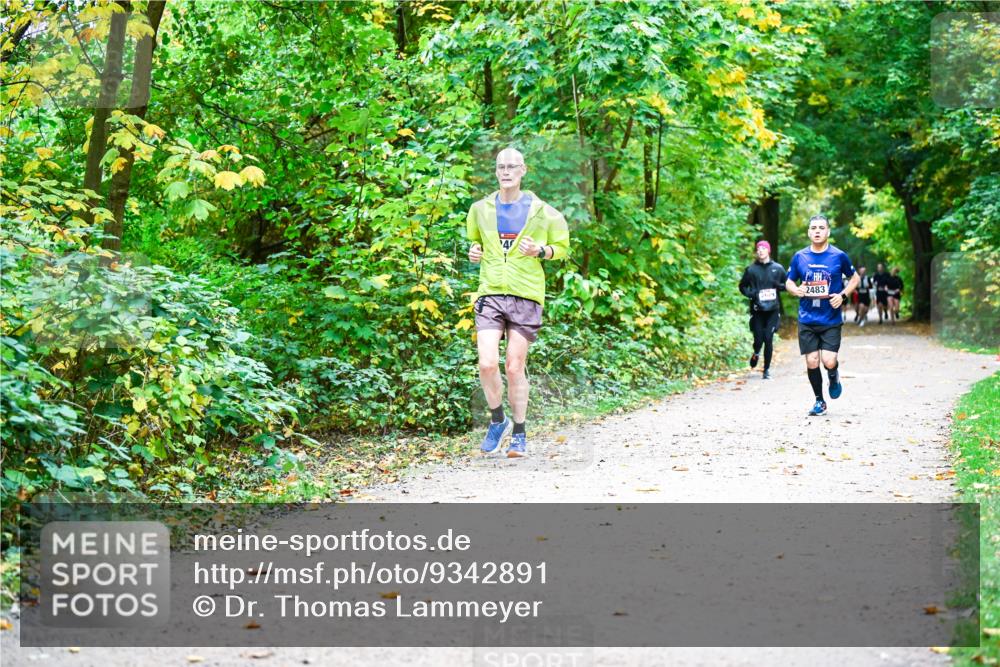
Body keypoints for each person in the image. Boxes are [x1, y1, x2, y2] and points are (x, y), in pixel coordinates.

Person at [466, 147, 571, 458]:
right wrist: (474, 250)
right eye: (500, 166)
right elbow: (476, 240)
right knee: (487, 363)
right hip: (491, 292)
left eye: (512, 166)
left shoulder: (544, 212)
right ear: (496, 171)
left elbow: (562, 248)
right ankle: (498, 420)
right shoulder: (480, 209)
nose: (506, 171)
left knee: (514, 367)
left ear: (523, 170)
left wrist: (540, 251)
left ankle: (520, 434)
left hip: (526, 293)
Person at [785, 215, 860, 416]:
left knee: (828, 360)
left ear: (828, 232)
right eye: (813, 228)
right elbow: (789, 281)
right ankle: (819, 401)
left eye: (821, 228)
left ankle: (833, 375)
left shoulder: (838, 256)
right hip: (807, 318)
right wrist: (796, 290)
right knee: (811, 361)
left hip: (830, 319)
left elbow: (855, 278)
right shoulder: (800, 257)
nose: (817, 231)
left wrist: (843, 295)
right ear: (809, 232)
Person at [738, 240, 786, 379]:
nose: (760, 251)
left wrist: (779, 286)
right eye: (758, 249)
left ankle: (766, 370)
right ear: (756, 252)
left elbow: (788, 284)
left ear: (768, 251)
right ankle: (756, 352)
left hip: (773, 309)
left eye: (763, 248)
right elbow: (742, 286)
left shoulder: (777, 268)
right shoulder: (751, 269)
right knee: (758, 339)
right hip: (757, 310)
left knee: (768, 338)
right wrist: (751, 294)